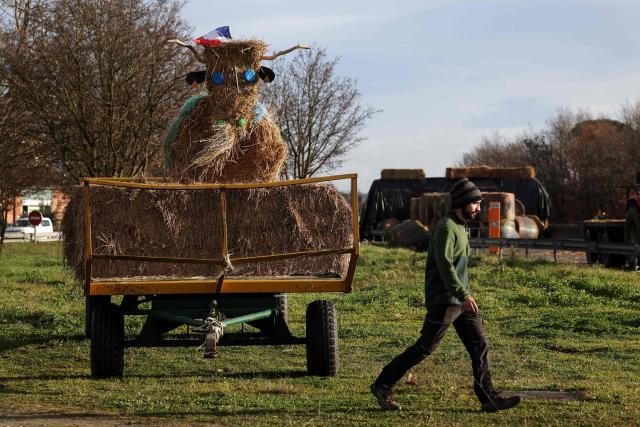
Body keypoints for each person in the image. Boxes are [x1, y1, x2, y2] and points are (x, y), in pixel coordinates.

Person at [370, 178, 521, 412]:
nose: (479, 208)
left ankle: (487, 396)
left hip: (459, 301)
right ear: (462, 202)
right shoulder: (446, 228)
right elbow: (445, 266)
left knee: (479, 344)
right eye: (475, 203)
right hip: (445, 300)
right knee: (425, 348)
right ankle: (383, 383)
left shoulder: (460, 227)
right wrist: (463, 294)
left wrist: (465, 295)